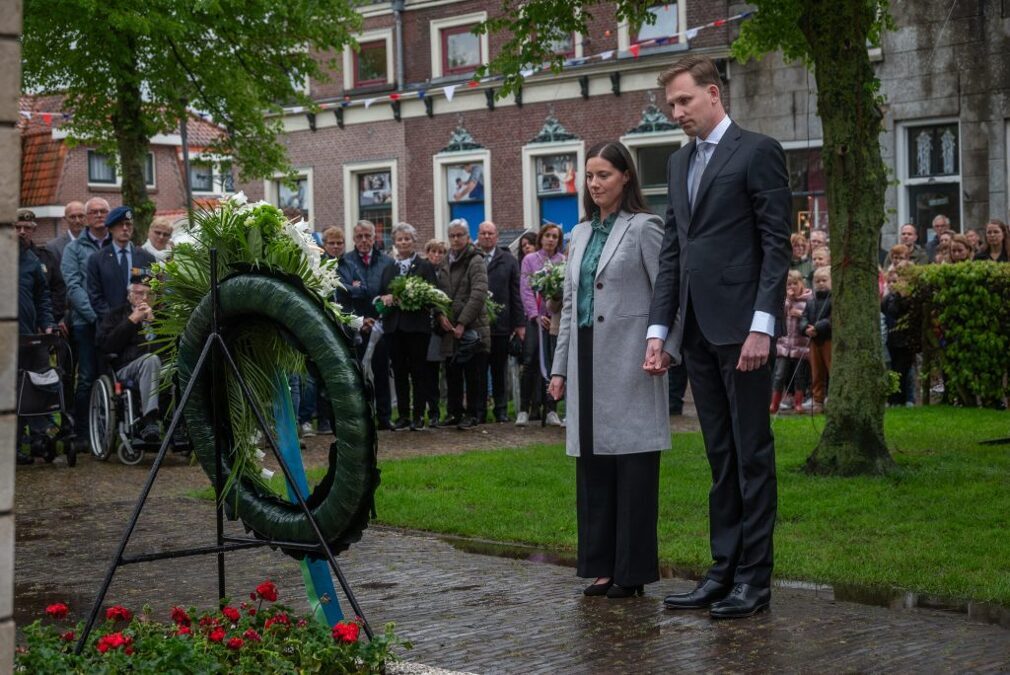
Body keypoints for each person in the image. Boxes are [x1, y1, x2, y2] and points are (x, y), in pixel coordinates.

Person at [645, 55, 791, 619]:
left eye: (683, 101)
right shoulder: (679, 164)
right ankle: (722, 572)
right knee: (720, 455)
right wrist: (661, 330)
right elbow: (674, 253)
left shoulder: (757, 151)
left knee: (753, 455)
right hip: (699, 333)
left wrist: (763, 324)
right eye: (671, 105)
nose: (676, 112)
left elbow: (776, 244)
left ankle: (755, 582)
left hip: (744, 331)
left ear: (712, 94)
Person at [548, 141, 669, 599]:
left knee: (633, 467)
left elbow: (666, 295)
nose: (595, 184)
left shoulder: (644, 228)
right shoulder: (578, 234)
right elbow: (570, 308)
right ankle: (601, 566)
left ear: (625, 178)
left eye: (604, 175)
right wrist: (558, 369)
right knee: (593, 468)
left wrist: (665, 348)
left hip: (631, 360)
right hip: (584, 358)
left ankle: (632, 571)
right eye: (590, 176)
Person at [61, 196, 112, 444]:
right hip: (85, 323)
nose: (99, 215)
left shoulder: (117, 244)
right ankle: (81, 433)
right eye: (94, 212)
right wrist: (95, 316)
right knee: (87, 376)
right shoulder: (74, 249)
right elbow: (73, 286)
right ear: (87, 217)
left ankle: (107, 429)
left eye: (104, 211)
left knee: (111, 374)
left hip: (114, 324)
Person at [378, 223, 437, 431]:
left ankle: (419, 415)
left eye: (407, 239)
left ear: (414, 241)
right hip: (394, 328)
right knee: (400, 372)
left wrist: (411, 296)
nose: (403, 242)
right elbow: (380, 292)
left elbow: (432, 295)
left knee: (418, 372)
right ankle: (403, 415)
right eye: (400, 239)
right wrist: (384, 298)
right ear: (394, 242)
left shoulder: (424, 266)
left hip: (417, 327)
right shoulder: (389, 268)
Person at [337, 220, 395, 430]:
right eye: (359, 236)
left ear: (374, 237)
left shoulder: (387, 262)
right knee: (358, 374)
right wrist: (360, 319)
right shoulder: (347, 262)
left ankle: (385, 417)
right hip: (357, 326)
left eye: (367, 236)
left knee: (381, 372)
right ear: (354, 238)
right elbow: (346, 295)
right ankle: (362, 418)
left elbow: (391, 291)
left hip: (381, 325)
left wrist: (379, 316)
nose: (364, 240)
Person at [435, 219, 489, 430]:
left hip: (472, 328)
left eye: (460, 235)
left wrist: (462, 323)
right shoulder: (445, 261)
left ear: (467, 237)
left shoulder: (476, 260)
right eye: (452, 236)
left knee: (473, 373)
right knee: (452, 372)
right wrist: (440, 315)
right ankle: (454, 412)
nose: (456, 239)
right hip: (448, 328)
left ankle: (473, 413)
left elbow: (478, 293)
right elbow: (437, 293)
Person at [95, 274, 163, 442]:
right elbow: (107, 345)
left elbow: (169, 350)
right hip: (126, 368)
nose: (145, 298)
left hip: (159, 369)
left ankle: (181, 427)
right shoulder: (116, 315)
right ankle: (149, 420)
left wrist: (153, 323)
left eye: (150, 294)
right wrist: (132, 321)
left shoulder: (161, 318)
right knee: (151, 360)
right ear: (130, 295)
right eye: (139, 293)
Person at [477, 221, 525, 423]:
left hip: (501, 325)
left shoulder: (508, 260)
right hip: (477, 325)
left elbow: (517, 293)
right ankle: (478, 410)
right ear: (478, 236)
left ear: (497, 236)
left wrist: (519, 324)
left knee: (499, 370)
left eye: (490, 233)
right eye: (483, 233)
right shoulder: (472, 258)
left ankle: (501, 409)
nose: (487, 237)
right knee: (478, 371)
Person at [517, 224, 565, 426]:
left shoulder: (562, 262)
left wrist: (551, 313)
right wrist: (536, 315)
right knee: (530, 362)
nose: (551, 240)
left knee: (555, 362)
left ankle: (551, 408)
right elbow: (526, 290)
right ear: (541, 237)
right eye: (548, 235)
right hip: (535, 320)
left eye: (555, 236)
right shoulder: (530, 260)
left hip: (553, 320)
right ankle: (523, 409)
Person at [87, 206, 156, 321]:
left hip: (140, 324)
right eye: (120, 225)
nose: (125, 228)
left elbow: (152, 291)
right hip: (110, 326)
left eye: (128, 224)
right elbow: (95, 296)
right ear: (110, 229)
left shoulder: (146, 257)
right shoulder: (97, 259)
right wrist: (113, 320)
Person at [17, 210, 66, 330]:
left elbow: (54, 292)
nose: (22, 232)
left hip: (34, 328)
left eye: (27, 228)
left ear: (34, 230)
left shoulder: (43, 258)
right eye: (17, 227)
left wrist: (47, 323)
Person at [770, 271, 811, 414]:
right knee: (779, 374)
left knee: (800, 375)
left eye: (795, 283)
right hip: (783, 345)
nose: (792, 287)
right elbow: (780, 312)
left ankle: (798, 403)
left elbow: (811, 317)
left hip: (801, 346)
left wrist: (800, 315)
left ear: (802, 283)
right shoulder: (783, 300)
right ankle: (774, 403)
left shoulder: (808, 300)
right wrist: (787, 300)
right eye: (789, 284)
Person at [423, 239, 448, 425]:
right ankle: (430, 410)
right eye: (433, 251)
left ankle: (438, 410)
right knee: (426, 371)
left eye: (440, 252)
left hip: (442, 329)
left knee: (438, 371)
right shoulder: (421, 271)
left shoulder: (445, 273)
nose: (436, 255)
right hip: (425, 327)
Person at [801, 267, 833, 414]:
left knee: (831, 369)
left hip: (829, 340)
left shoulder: (834, 298)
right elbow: (804, 317)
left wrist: (818, 327)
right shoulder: (811, 300)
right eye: (817, 281)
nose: (821, 283)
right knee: (816, 372)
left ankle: (833, 399)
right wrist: (805, 328)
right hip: (814, 341)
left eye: (824, 280)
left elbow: (833, 319)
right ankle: (818, 400)